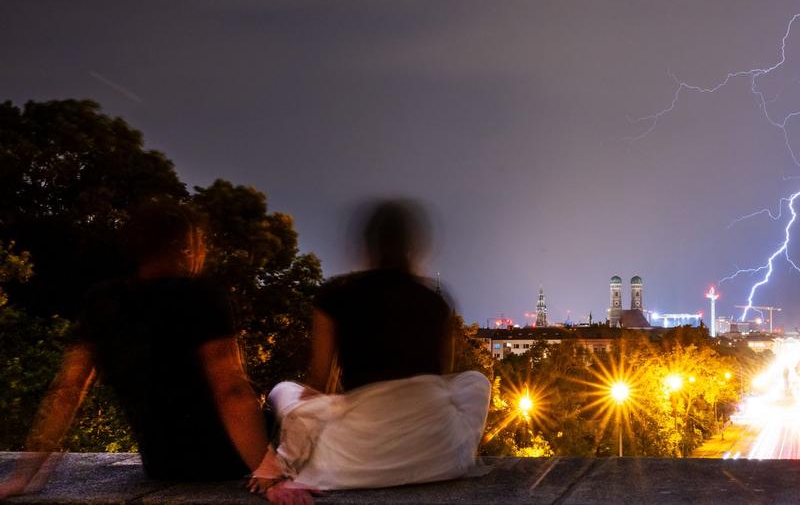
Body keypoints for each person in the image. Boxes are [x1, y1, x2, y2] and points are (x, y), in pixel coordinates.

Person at [0, 201, 311, 504]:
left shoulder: (102, 302)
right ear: (186, 248)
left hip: (163, 464)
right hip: (229, 460)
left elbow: (66, 392)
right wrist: (268, 472)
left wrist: (22, 477)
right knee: (286, 391)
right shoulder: (200, 297)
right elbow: (230, 389)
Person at [264, 200, 490, 490]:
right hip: (440, 458)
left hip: (354, 463)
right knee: (475, 381)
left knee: (283, 391)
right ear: (414, 247)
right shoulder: (436, 302)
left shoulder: (336, 297)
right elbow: (442, 381)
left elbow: (319, 384)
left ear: (367, 246)